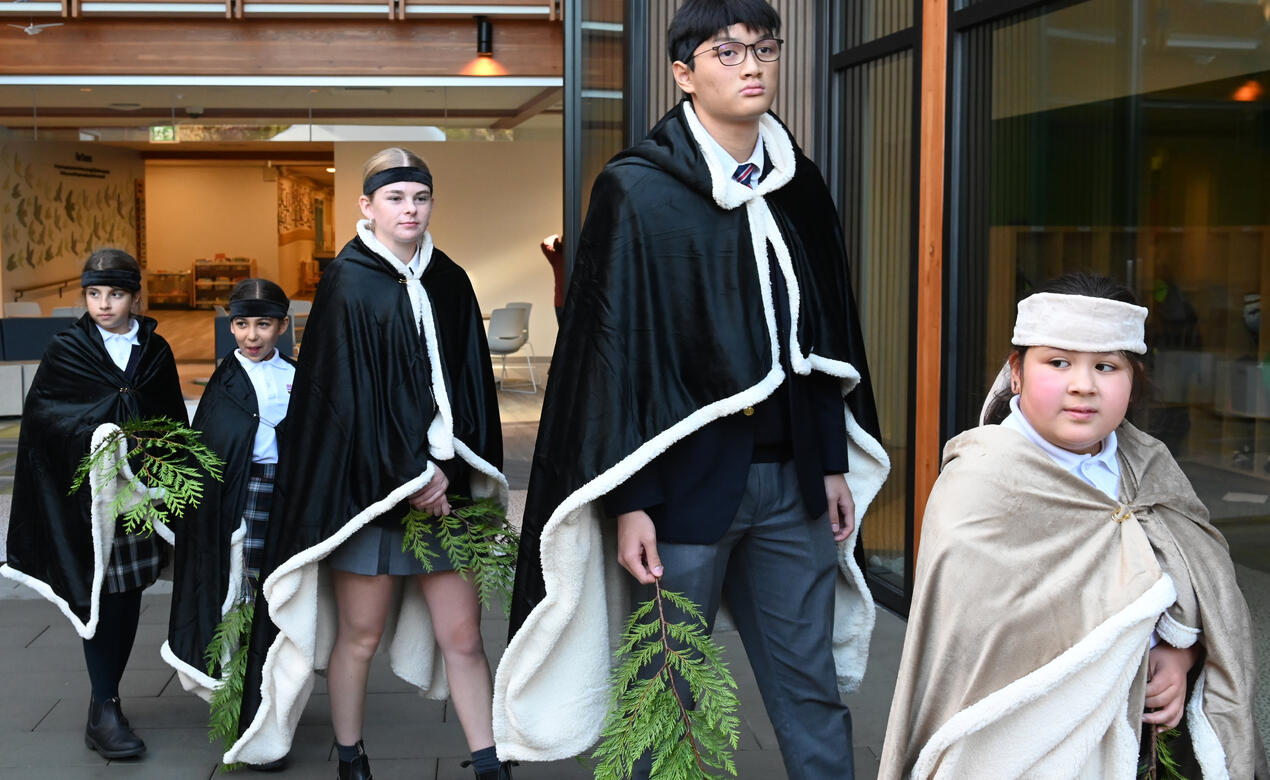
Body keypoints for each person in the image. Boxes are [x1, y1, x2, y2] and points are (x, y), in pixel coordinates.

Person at [496, 2, 890, 778]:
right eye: (728, 50)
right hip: (681, 492)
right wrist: (631, 499)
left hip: (792, 484)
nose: (752, 65)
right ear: (685, 72)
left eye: (765, 49)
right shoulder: (638, 190)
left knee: (809, 688)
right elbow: (615, 353)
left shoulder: (798, 186)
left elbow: (817, 337)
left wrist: (832, 460)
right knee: (667, 692)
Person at [878, 273, 1268, 779]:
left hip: (1147, 740)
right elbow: (974, 652)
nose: (1083, 384)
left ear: (1134, 381)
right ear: (1016, 372)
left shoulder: (1148, 465)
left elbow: (1208, 586)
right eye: (1058, 362)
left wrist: (1184, 651)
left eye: (1106, 366)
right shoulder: (981, 484)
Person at [222, 148, 511, 780]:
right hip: (371, 496)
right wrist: (410, 475)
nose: (410, 210)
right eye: (395, 198)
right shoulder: (347, 282)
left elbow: (469, 384)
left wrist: (449, 471)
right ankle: (352, 760)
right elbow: (340, 399)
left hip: (449, 492)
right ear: (367, 206)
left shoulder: (451, 279)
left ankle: (491, 764)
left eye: (420, 198)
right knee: (360, 637)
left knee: (463, 636)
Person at [1, 248, 187, 760]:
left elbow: (171, 421)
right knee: (97, 592)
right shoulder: (68, 348)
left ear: (135, 296)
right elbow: (44, 422)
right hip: (85, 498)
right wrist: (98, 436)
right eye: (94, 293)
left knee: (127, 592)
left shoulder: (155, 351)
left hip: (139, 497)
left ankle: (104, 700)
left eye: (116, 293)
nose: (104, 304)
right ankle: (104, 706)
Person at [161, 279, 294, 770]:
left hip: (285, 497)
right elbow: (209, 450)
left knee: (278, 595)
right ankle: (241, 701)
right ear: (231, 326)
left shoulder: (298, 378)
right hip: (239, 501)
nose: (252, 335)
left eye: (263, 323)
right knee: (239, 594)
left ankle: (276, 694)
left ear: (282, 325)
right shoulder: (223, 383)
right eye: (241, 323)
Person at [538, 233, 564, 325]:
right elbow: (543, 245)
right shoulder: (557, 257)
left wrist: (555, 239)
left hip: (560, 302)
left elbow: (543, 245)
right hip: (562, 302)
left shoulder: (556, 257)